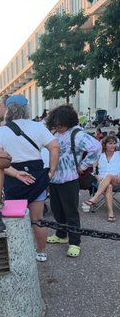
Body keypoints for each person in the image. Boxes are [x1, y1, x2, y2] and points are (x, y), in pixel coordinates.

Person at [0, 94, 60, 262]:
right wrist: (51, 170)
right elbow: (54, 146)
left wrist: (13, 172)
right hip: (36, 175)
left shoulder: (2, 131)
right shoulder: (38, 127)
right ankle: (41, 251)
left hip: (12, 175)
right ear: (26, 108)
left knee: (13, 218)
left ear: (8, 109)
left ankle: (17, 252)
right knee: (38, 219)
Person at [45, 105, 101, 258]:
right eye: (54, 124)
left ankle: (75, 242)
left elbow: (96, 147)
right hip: (54, 179)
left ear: (67, 121)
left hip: (69, 179)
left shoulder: (76, 133)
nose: (56, 126)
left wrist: (83, 165)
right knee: (57, 209)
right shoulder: (57, 133)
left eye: (59, 124)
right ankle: (61, 235)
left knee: (70, 212)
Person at [83, 136, 120, 220]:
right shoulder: (99, 156)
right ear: (105, 145)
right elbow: (92, 170)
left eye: (114, 143)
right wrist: (97, 176)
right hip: (103, 182)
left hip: (117, 180)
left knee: (109, 176)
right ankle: (111, 214)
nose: (113, 145)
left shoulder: (119, 154)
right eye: (110, 143)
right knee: (109, 186)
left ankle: (95, 197)